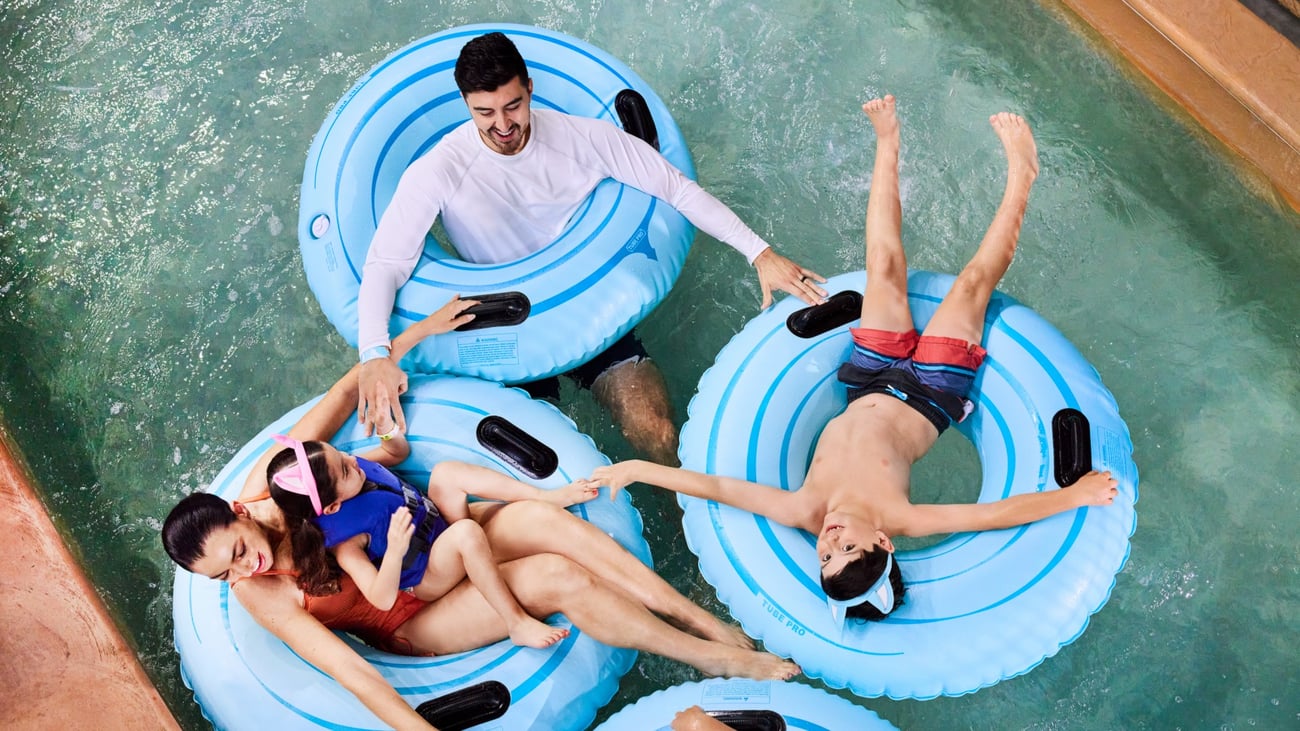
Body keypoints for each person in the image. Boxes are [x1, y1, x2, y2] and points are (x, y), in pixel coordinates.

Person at [592, 96, 1119, 625]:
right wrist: (1077, 495)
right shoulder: (900, 516)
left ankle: (888, 142)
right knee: (973, 283)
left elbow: (722, 488)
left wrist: (639, 468)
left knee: (882, 266)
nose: (831, 542)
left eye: (823, 556)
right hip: (932, 391)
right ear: (883, 541)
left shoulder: (806, 508)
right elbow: (993, 515)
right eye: (848, 550)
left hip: (867, 382)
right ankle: (1022, 174)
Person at [163, 299, 799, 731]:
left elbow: (345, 397)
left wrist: (407, 339)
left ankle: (696, 616)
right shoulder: (261, 593)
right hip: (413, 618)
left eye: (237, 549)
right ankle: (707, 657)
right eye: (225, 575)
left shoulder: (279, 482)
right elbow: (350, 670)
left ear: (239, 513)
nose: (244, 569)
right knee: (553, 574)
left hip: (429, 549)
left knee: (549, 524)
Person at [356, 31, 830, 466]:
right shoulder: (439, 168)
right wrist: (375, 352)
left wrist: (760, 253)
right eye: (485, 112)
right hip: (505, 331)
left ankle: (685, 519)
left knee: (656, 432)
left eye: (513, 106)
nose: (503, 124)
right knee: (533, 465)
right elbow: (386, 263)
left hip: (586, 309)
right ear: (465, 104)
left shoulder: (580, 138)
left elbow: (676, 188)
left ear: (531, 88)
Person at [266, 427, 600, 648]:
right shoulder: (346, 545)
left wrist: (386, 429)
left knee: (446, 473)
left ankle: (545, 497)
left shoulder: (353, 470)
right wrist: (395, 551)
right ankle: (516, 623)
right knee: (466, 534)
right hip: (427, 575)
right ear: (334, 504)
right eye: (344, 469)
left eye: (341, 455)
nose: (353, 460)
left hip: (435, 529)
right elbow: (381, 598)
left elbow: (397, 452)